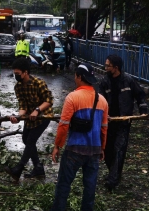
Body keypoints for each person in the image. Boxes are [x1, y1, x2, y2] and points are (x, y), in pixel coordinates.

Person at [50, 63, 109, 211]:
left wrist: (57, 146)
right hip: (94, 151)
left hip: (74, 150)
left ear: (79, 77)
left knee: (64, 184)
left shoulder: (72, 97)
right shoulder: (102, 100)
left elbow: (63, 125)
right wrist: (102, 148)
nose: (74, 78)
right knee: (90, 188)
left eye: (75, 75)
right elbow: (104, 128)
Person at [99, 54, 148, 191]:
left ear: (116, 67)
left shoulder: (128, 81)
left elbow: (140, 95)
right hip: (108, 122)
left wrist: (143, 111)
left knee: (119, 149)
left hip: (123, 121)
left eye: (108, 65)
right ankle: (114, 173)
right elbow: (100, 99)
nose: (106, 67)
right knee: (107, 150)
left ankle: (113, 180)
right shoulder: (104, 82)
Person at [5, 58, 54, 181]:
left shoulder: (39, 83)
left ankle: (18, 169)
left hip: (43, 117)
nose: (16, 76)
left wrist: (37, 110)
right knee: (26, 139)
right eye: (14, 74)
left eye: (18, 74)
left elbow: (49, 101)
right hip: (30, 119)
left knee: (30, 141)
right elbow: (23, 105)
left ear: (25, 72)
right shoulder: (18, 87)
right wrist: (18, 117)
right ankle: (38, 167)